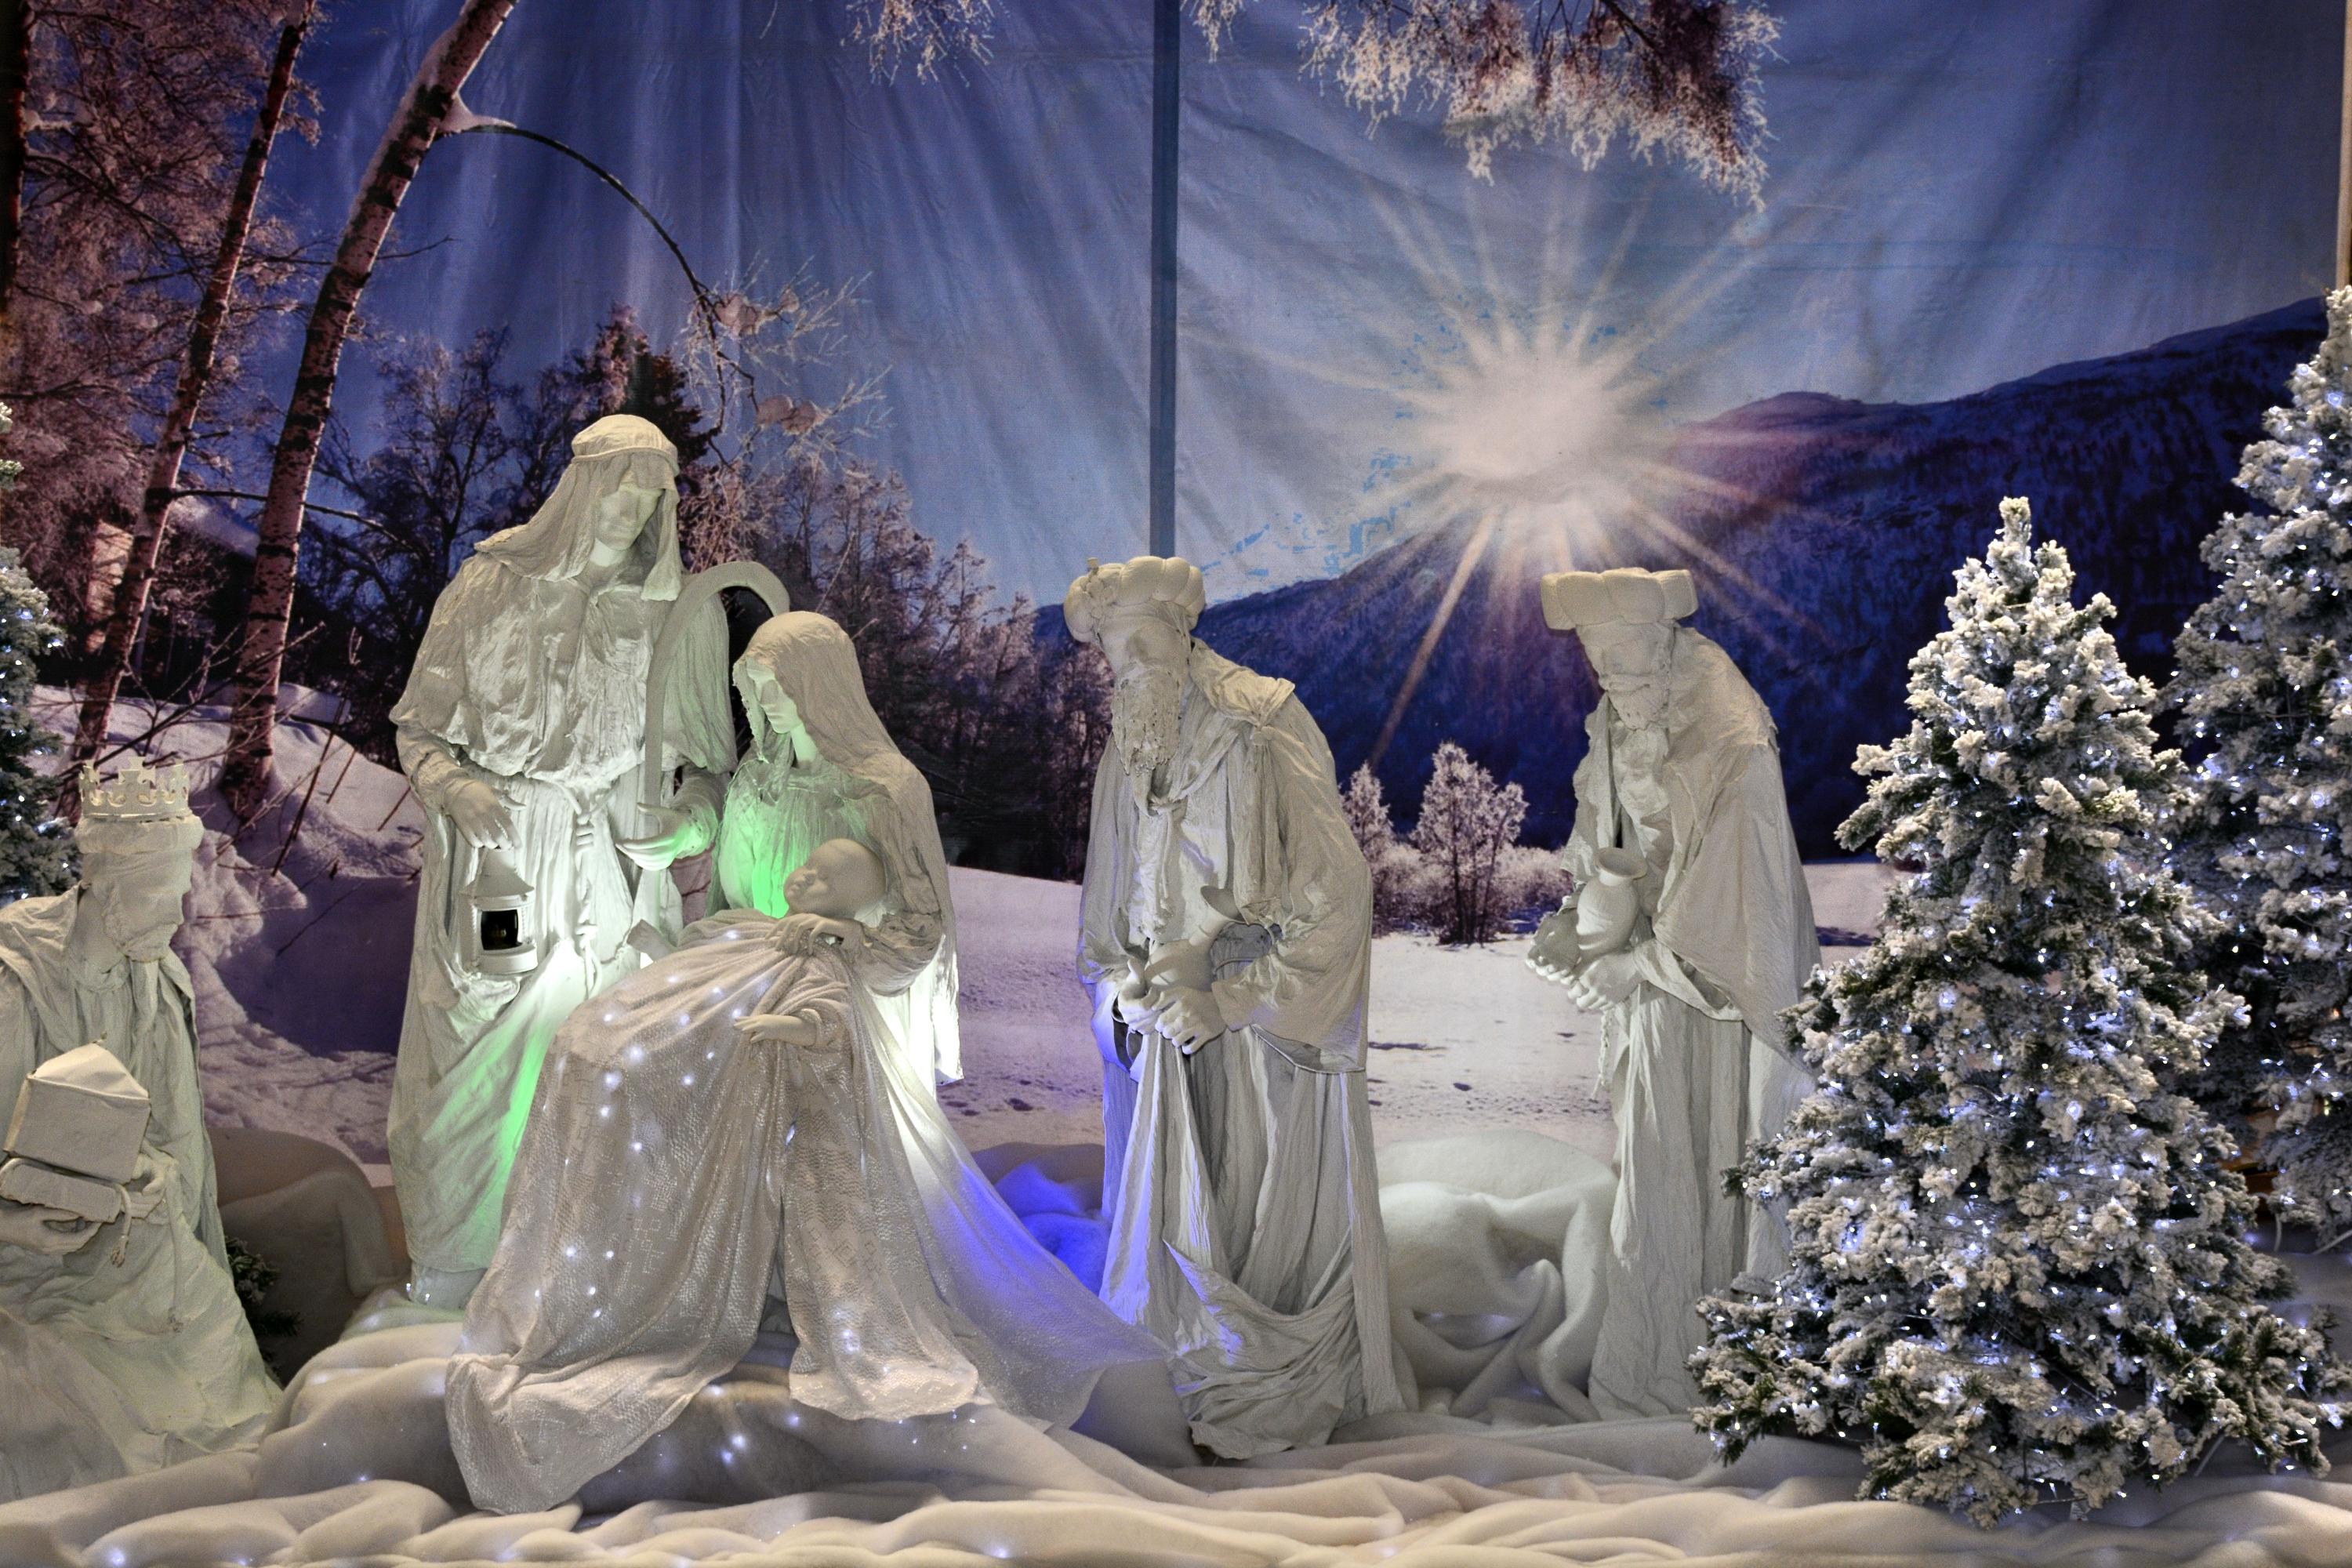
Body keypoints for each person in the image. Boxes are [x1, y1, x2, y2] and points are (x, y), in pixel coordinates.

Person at [445, 618, 1178, 1514]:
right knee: (590, 1044)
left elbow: (915, 927)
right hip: (738, 958)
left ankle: (718, 1272)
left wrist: (839, 942)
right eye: (751, 696)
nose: (763, 712)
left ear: (820, 690)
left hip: (828, 976)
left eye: (777, 693)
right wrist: (691, 876)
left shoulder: (881, 785)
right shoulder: (757, 775)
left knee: (657, 1062)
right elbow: (728, 873)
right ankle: (616, 1275)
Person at [387, 413, 737, 1308]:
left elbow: (706, 769)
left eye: (653, 494)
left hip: (612, 864)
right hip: (500, 851)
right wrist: (458, 792)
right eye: (620, 485)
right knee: (475, 1044)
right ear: (579, 488)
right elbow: (420, 728)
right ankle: (462, 1259)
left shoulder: (676, 614)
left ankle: (584, 1257)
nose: (634, 508)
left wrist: (688, 826)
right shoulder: (493, 582)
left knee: (607, 1048)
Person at [1069, 554, 1404, 1458]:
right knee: (1176, 1218)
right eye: (1111, 650)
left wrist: (1234, 998)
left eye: (1143, 641)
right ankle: (1180, 1382)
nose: (1128, 665)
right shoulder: (1127, 747)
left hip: (1257, 1036)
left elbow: (1337, 891)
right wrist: (1120, 985)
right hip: (1167, 1036)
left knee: (1261, 1221)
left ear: (1185, 633)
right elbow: (1106, 908)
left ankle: (1264, 1391)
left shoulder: (1260, 722)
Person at [1526, 567, 1818, 1418]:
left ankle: (1728, 1370)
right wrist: (1578, 929)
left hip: (1725, 1010)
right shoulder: (1621, 720)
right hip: (1657, 1005)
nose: (1613, 681)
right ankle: (1658, 1366)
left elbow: (1741, 916)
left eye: (1624, 660)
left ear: (1665, 643)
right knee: (1657, 1178)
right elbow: (1606, 846)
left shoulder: (1729, 740)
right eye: (1598, 665)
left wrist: (1638, 963)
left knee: (1720, 1162)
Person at [0, 761, 276, 1501]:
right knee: (86, 1406)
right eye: (161, 892)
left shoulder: (152, 978)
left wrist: (152, 1172)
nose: (178, 913)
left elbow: (171, 1134)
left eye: (182, 892)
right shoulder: (12, 985)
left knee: (213, 1357)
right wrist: (16, 1224)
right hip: (20, 1263)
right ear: (106, 883)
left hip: (129, 1240)